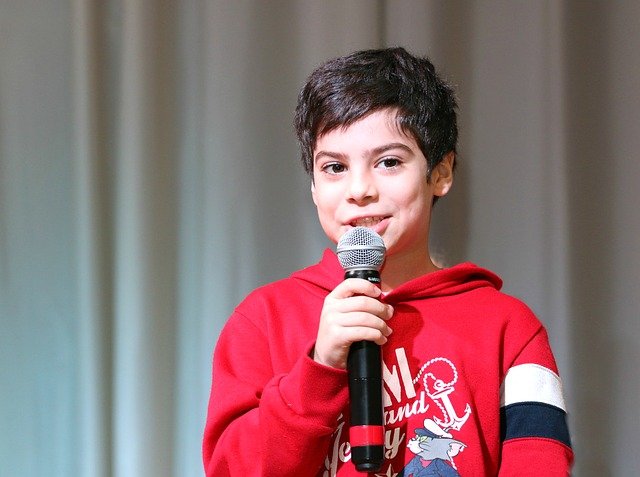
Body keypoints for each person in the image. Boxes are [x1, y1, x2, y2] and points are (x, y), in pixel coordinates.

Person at [202, 47, 573, 476]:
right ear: (314, 188)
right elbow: (232, 469)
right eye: (334, 168)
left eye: (389, 162)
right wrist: (320, 367)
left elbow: (539, 463)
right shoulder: (263, 320)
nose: (359, 189)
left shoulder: (509, 328)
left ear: (441, 173)